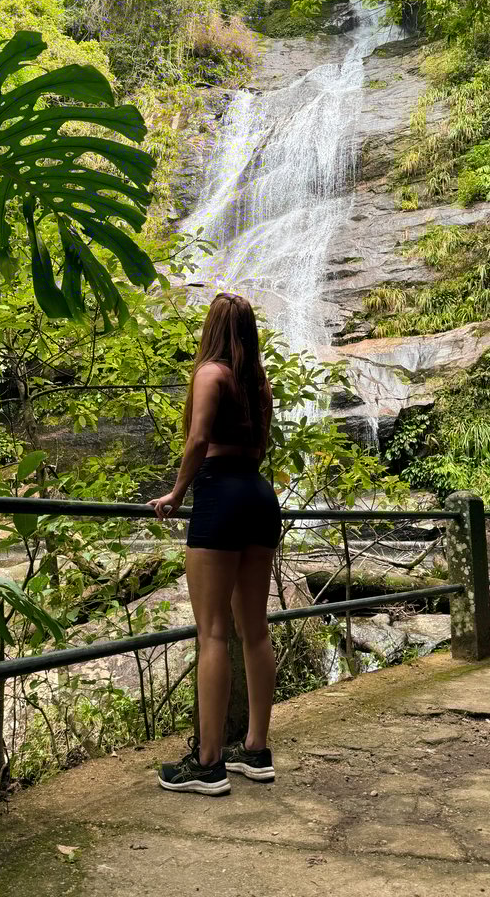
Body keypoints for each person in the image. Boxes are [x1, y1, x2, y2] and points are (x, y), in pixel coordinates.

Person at [147, 292, 281, 796]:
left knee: (213, 634)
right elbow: (259, 446)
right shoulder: (259, 385)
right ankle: (256, 749)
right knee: (257, 631)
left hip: (220, 497)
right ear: (249, 331)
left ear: (211, 328)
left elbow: (199, 440)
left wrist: (177, 492)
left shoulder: (210, 374)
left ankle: (207, 763)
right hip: (259, 496)